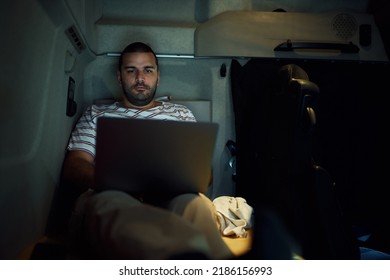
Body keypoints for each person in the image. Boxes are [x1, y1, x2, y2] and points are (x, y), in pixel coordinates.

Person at [62, 41, 233, 259]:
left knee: (198, 206)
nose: (140, 78)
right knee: (106, 204)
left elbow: (203, 173)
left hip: (170, 194)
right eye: (131, 70)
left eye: (147, 70)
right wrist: (110, 181)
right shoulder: (96, 113)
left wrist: (182, 179)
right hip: (112, 193)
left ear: (158, 77)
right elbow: (75, 164)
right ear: (119, 77)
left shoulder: (180, 114)